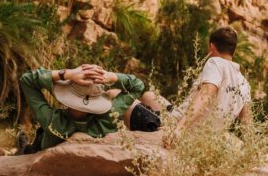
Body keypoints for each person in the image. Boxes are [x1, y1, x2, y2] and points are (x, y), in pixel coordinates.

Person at [16, 63, 166, 154]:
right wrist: (112, 77)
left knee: (30, 148)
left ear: (67, 100)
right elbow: (137, 86)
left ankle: (24, 148)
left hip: (43, 147)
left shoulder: (52, 122)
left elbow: (27, 79)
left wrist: (66, 74)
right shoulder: (108, 117)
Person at [168, 26, 252, 135]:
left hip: (180, 124)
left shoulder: (215, 62)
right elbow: (247, 122)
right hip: (210, 137)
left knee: (148, 96)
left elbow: (206, 94)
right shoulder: (244, 83)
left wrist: (179, 128)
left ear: (211, 47)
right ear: (234, 50)